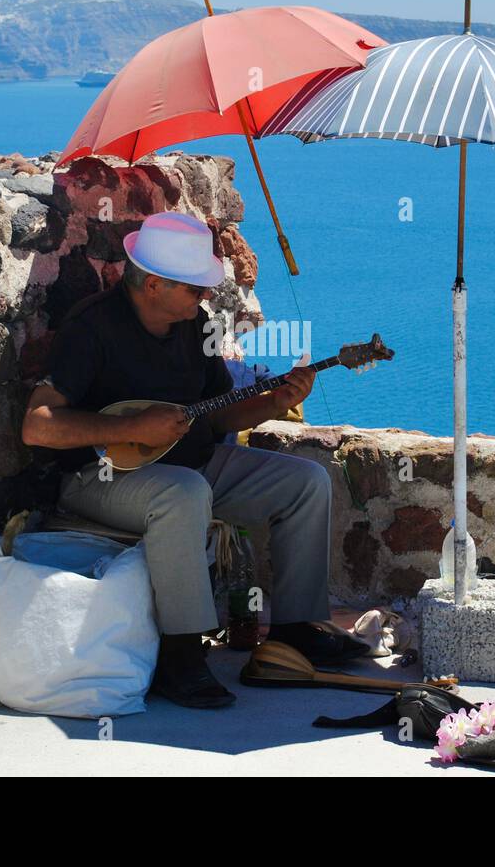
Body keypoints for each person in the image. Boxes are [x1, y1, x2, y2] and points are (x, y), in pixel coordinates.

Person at [21, 211, 367, 708]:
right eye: (194, 288)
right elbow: (38, 424)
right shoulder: (92, 328)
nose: (204, 298)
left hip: (192, 465)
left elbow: (219, 415)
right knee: (184, 493)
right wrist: (129, 428)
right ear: (155, 284)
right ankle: (180, 657)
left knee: (306, 481)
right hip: (100, 475)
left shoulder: (194, 326)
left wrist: (274, 400)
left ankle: (293, 631)